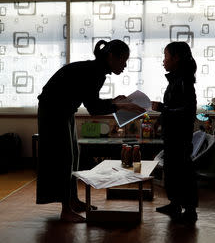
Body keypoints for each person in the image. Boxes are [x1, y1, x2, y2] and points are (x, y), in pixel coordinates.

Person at [36, 39, 145, 223]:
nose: (125, 65)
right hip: (53, 111)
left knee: (74, 155)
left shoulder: (96, 70)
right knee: (64, 158)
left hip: (64, 111)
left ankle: (73, 201)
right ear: (111, 57)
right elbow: (94, 108)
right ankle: (66, 210)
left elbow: (92, 102)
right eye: (123, 60)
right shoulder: (95, 72)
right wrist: (117, 105)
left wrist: (115, 102)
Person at [151, 41, 198, 223]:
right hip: (171, 135)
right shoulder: (175, 80)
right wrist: (159, 120)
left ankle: (190, 210)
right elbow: (171, 107)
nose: (163, 61)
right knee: (171, 170)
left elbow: (187, 112)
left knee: (183, 171)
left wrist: (162, 108)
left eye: (166, 56)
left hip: (180, 136)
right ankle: (175, 204)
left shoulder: (185, 82)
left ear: (176, 58)